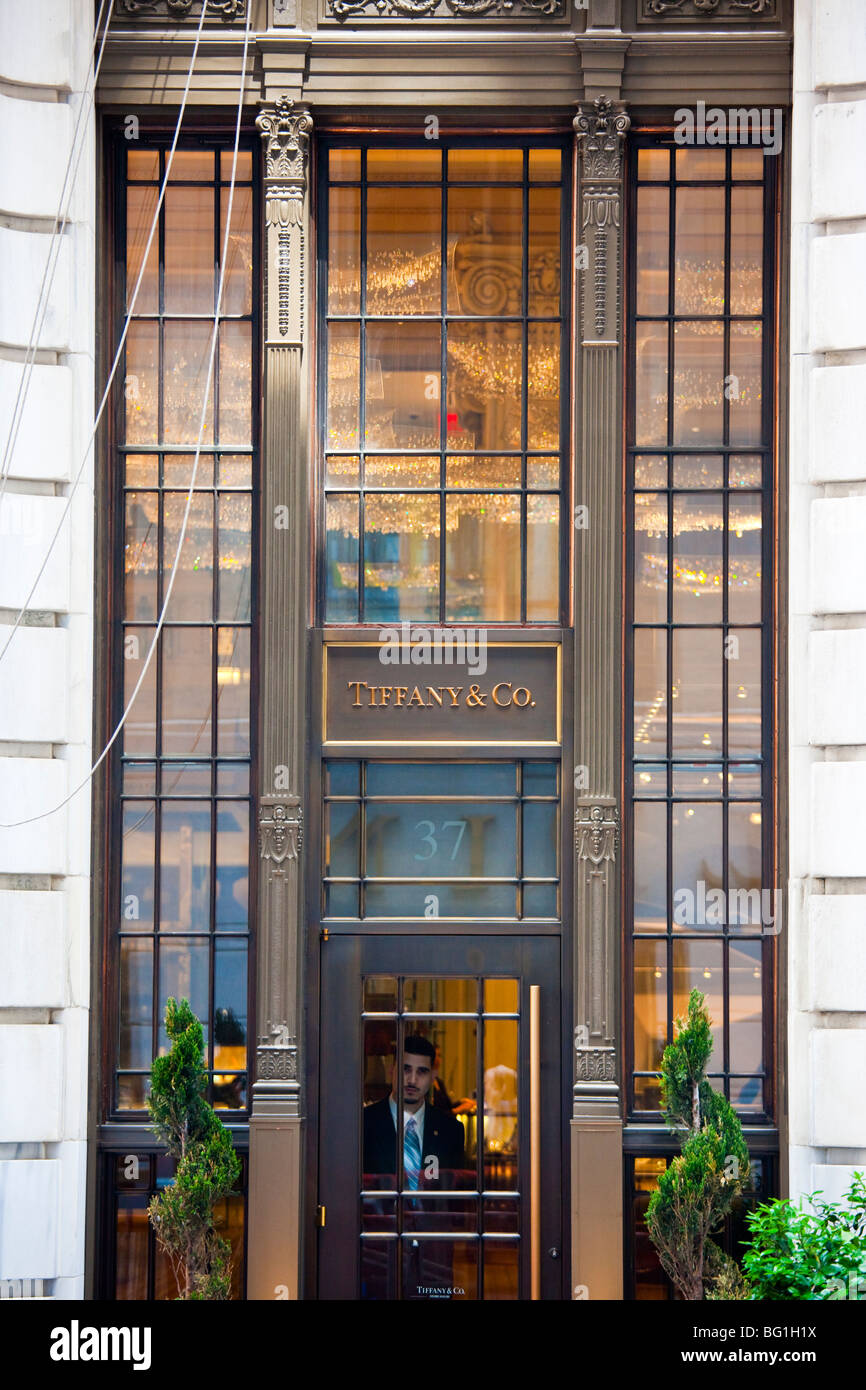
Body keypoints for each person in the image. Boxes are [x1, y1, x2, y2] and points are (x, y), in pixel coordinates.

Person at [363, 1035, 465, 1187]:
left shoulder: (451, 1131)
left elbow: (454, 1197)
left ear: (432, 1077)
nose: (412, 1080)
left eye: (422, 1072)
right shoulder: (364, 1123)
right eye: (406, 1069)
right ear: (392, 1070)